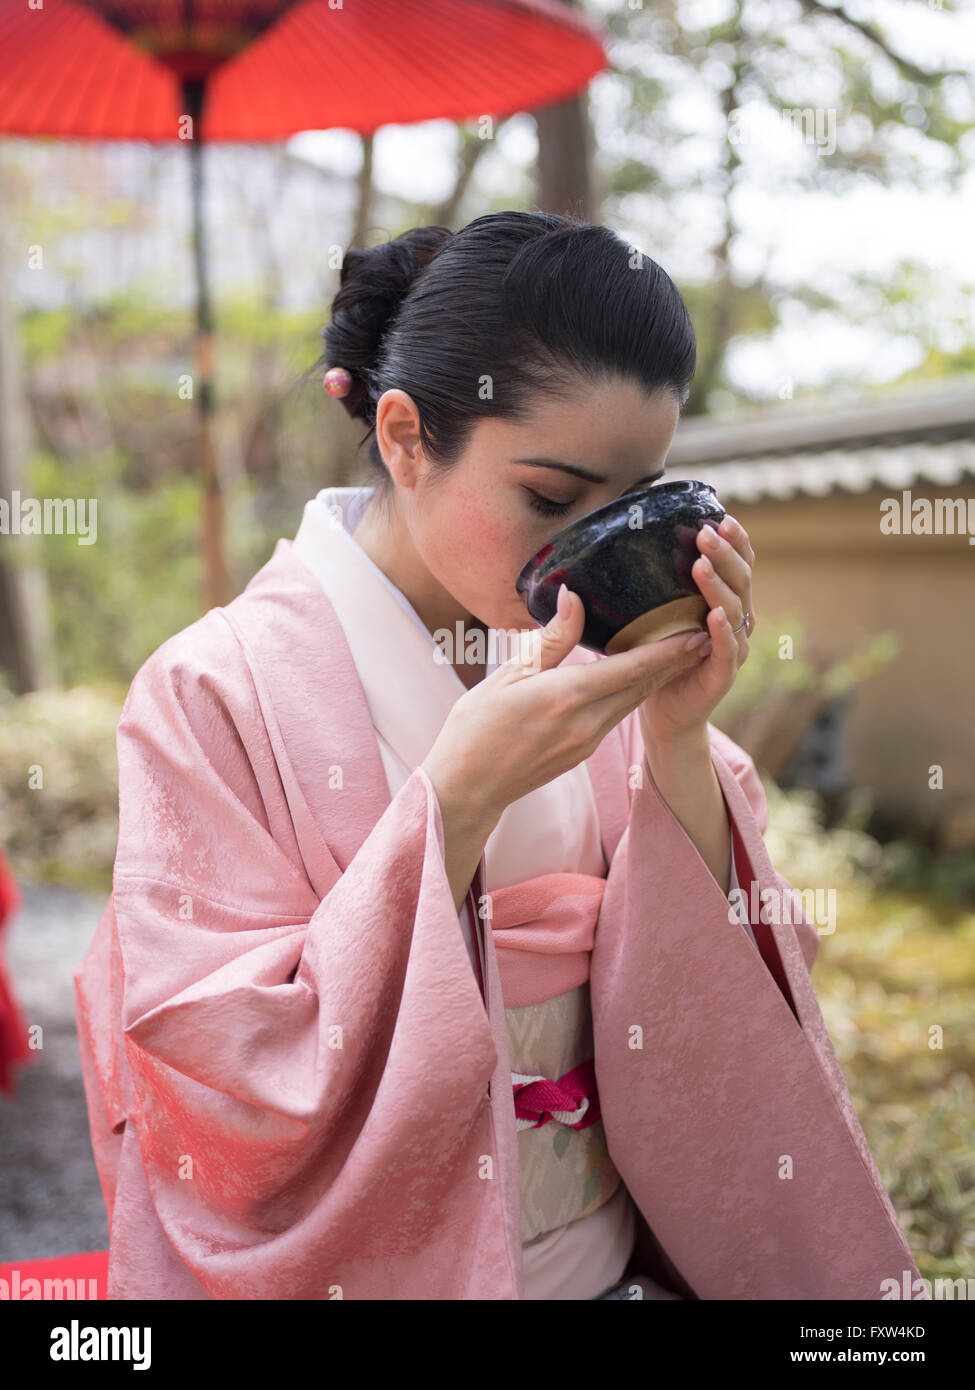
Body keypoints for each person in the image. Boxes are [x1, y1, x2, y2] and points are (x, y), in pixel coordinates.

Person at [74, 210, 921, 1300]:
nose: (590, 546)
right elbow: (222, 1066)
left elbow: (728, 1011)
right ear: (405, 436)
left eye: (635, 500)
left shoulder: (602, 653)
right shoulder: (211, 690)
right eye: (553, 498)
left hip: (607, 1268)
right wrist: (459, 797)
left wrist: (674, 736)